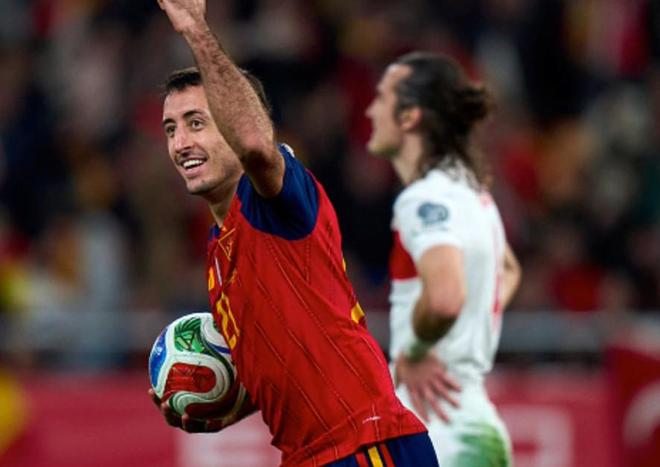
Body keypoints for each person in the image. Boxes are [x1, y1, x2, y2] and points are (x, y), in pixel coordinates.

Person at [149, 1, 440, 466]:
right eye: (171, 129)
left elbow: (255, 145)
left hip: (365, 442)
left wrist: (197, 31)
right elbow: (284, 362)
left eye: (196, 123)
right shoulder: (217, 252)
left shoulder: (274, 199)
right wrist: (226, 405)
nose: (181, 143)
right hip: (310, 455)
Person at [365, 51, 522, 466]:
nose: (370, 110)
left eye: (381, 98)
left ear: (410, 117)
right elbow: (507, 270)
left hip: (436, 426)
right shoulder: (472, 193)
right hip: (472, 420)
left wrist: (417, 350)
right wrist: (466, 328)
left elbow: (445, 298)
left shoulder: (424, 199)